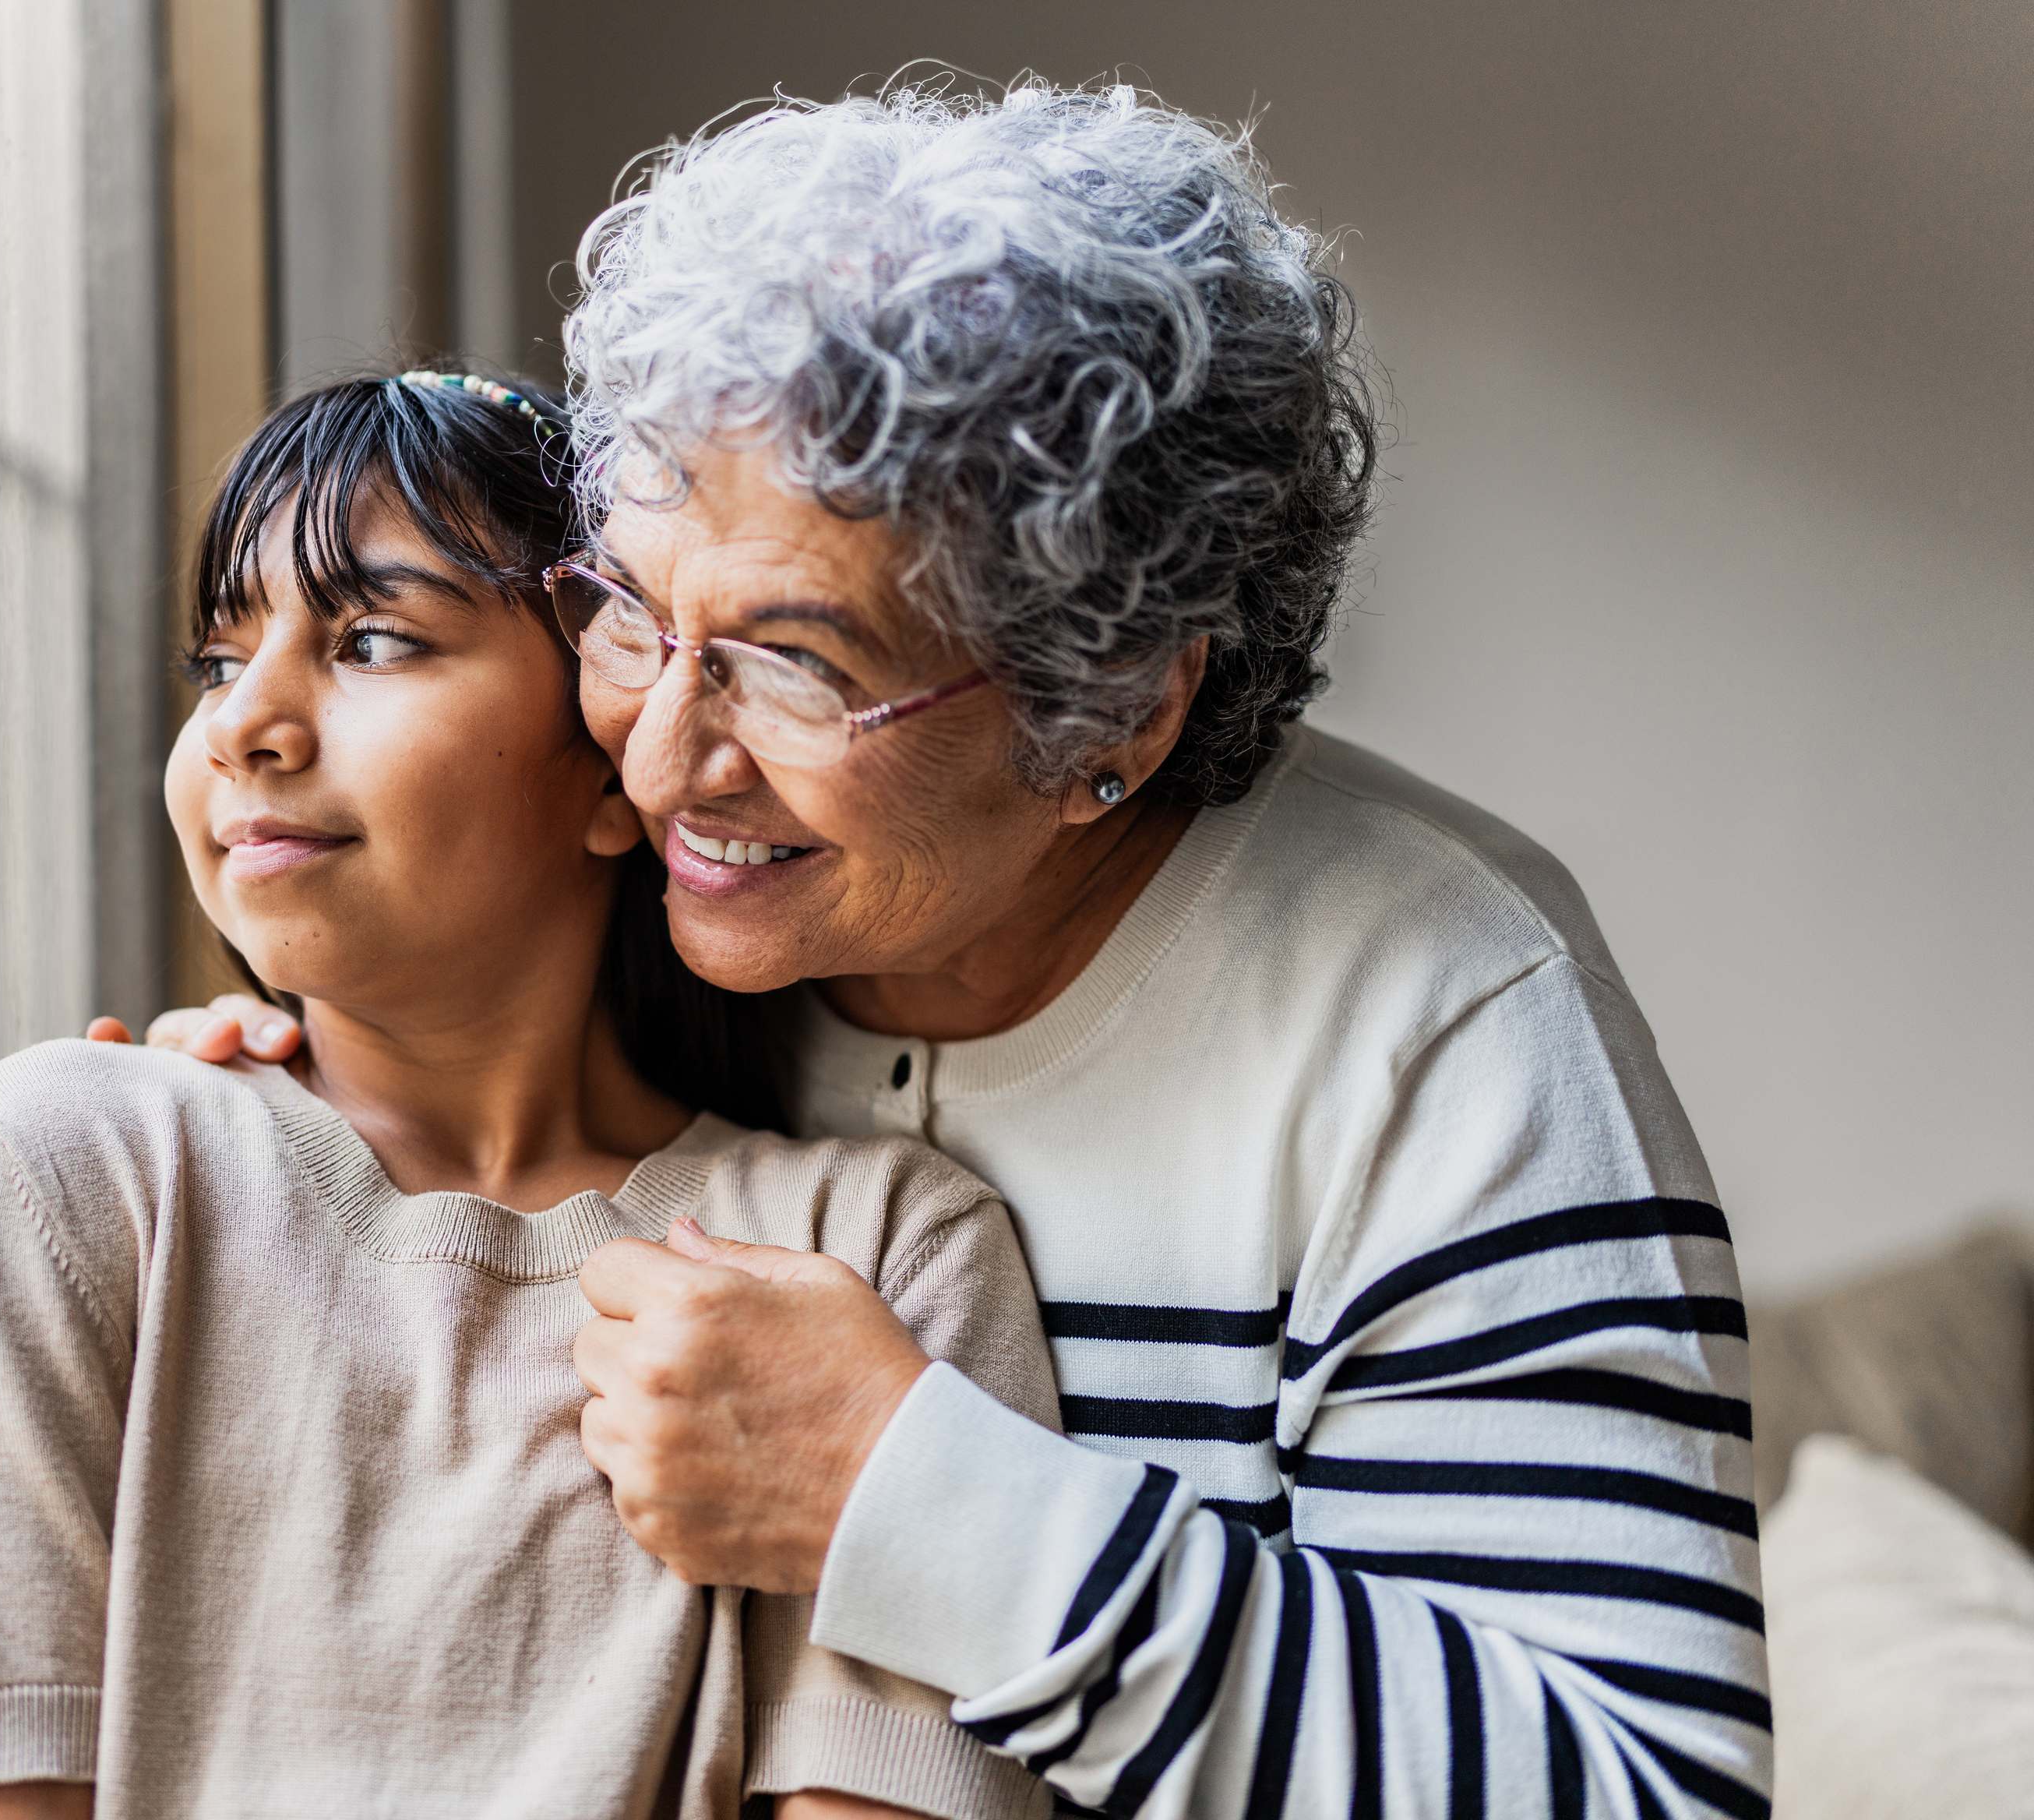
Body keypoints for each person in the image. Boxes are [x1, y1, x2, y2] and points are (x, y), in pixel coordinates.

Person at [130, 86, 1771, 1818]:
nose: (667, 755)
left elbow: (1643, 1788)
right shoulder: (653, 905)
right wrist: (272, 1120)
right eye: (628, 609)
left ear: (1113, 709)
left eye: (798, 664)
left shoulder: (1438, 1013)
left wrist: (913, 1505)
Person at [0, 369, 1059, 1820]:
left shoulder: (881, 1252)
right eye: (215, 661)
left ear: (616, 757)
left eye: (372, 640)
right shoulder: (69, 1166)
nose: (244, 723)